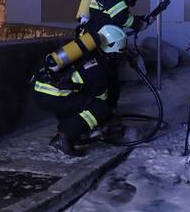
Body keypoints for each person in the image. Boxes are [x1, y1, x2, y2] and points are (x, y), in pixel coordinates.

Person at [33, 24, 126, 156]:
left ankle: (71, 133)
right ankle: (63, 139)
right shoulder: (99, 68)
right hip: (51, 93)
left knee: (79, 101)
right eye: (118, 53)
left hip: (41, 87)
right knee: (100, 108)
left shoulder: (87, 53)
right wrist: (108, 121)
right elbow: (101, 101)